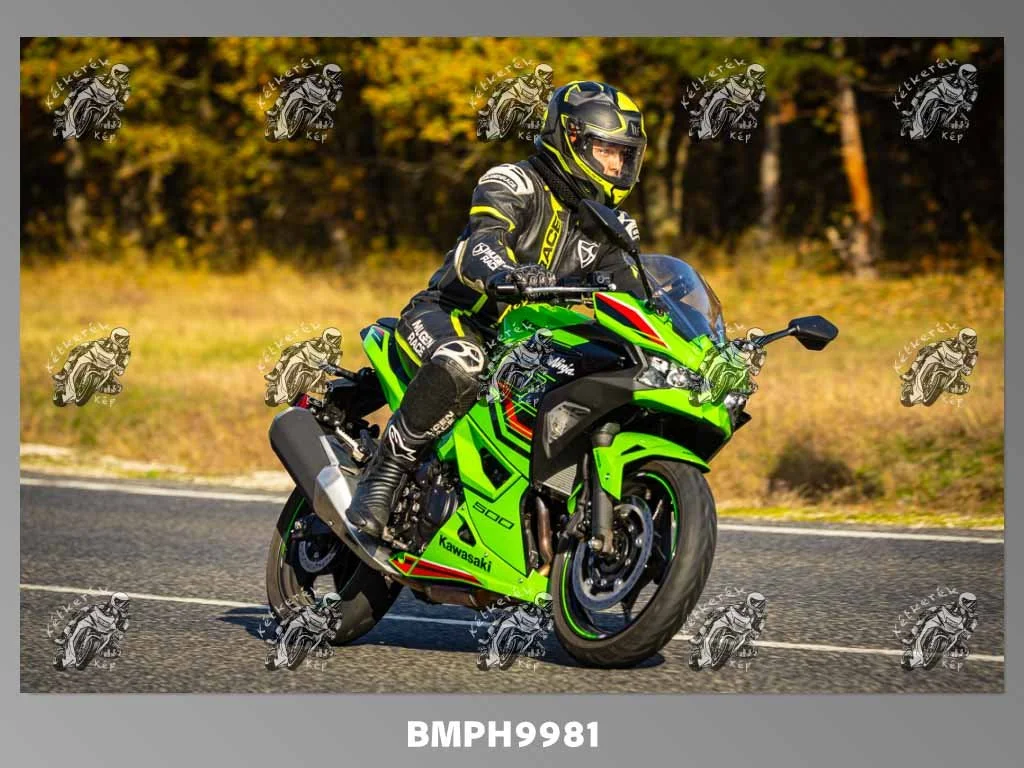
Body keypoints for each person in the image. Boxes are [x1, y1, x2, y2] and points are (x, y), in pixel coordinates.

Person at [346, 80, 649, 540]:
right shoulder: (515, 182)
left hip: (525, 347)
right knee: (465, 360)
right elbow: (480, 246)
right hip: (453, 317)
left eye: (624, 154)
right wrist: (509, 273)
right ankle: (385, 473)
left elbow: (638, 296)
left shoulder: (613, 227)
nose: (616, 165)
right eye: (606, 150)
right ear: (571, 138)